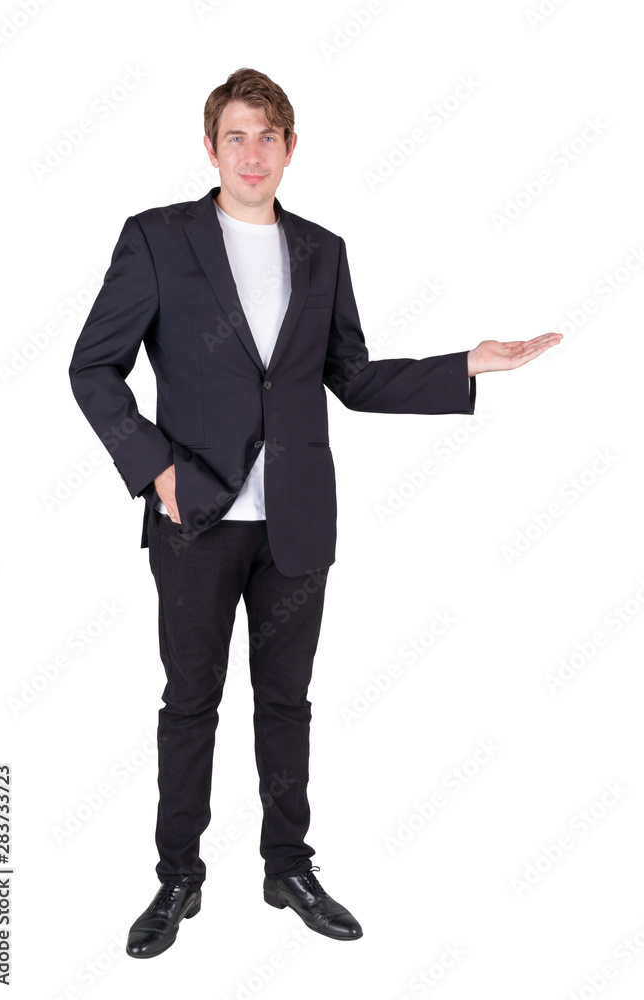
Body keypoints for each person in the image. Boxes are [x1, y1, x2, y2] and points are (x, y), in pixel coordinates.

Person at [68, 67, 562, 959]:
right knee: (191, 702)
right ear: (210, 147)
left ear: (291, 149)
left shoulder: (322, 250)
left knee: (286, 702)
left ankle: (286, 866)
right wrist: (155, 472)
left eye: (269, 137)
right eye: (235, 137)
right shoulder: (157, 239)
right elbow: (92, 367)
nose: (252, 153)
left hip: (297, 521)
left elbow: (352, 376)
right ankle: (178, 877)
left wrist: (467, 365)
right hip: (196, 519)